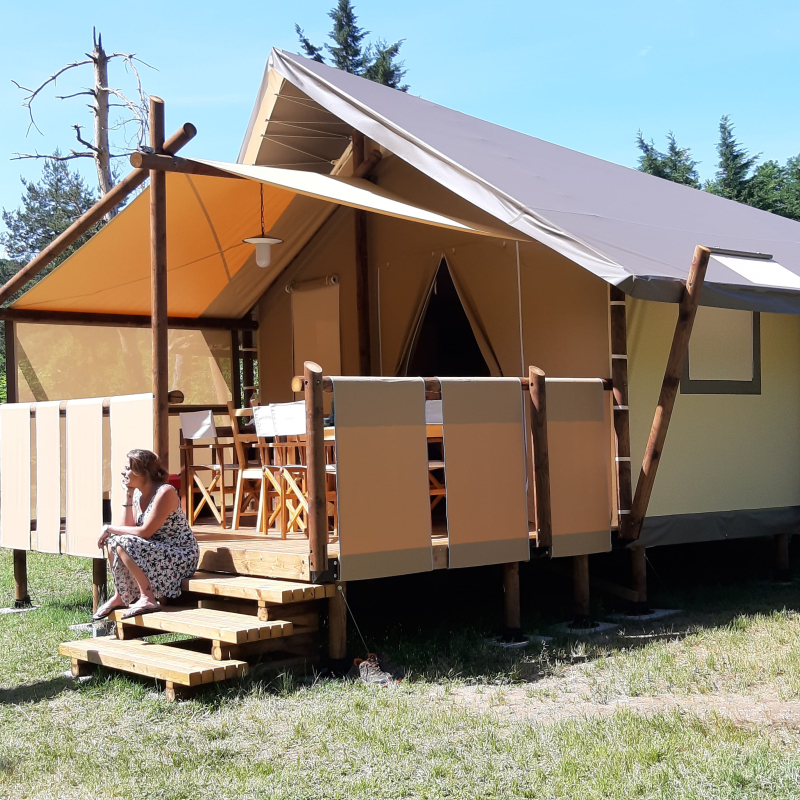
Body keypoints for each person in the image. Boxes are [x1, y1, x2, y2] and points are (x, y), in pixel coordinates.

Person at [93, 449, 200, 621]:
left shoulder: (165, 492)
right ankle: (121, 595)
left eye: (128, 468)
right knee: (115, 541)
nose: (123, 472)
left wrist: (110, 528)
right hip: (156, 550)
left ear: (142, 473)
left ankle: (148, 598)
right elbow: (127, 527)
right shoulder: (138, 494)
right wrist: (128, 494)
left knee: (121, 540)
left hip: (180, 555)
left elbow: (145, 531)